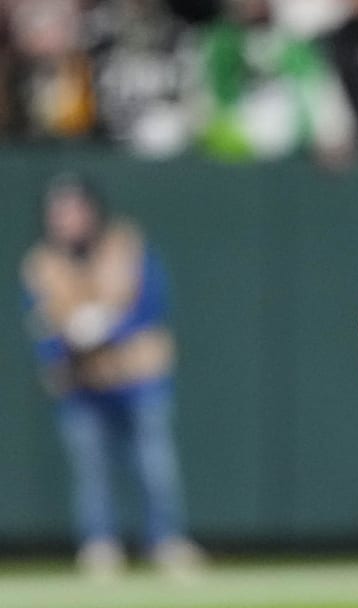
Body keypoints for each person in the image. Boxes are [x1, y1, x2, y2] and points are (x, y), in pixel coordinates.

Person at [20, 174, 204, 580]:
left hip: (138, 375)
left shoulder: (127, 245)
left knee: (154, 465)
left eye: (71, 210)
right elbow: (41, 326)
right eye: (57, 213)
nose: (63, 220)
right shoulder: (41, 263)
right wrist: (70, 342)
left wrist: (106, 330)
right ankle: (100, 545)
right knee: (92, 469)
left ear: (91, 210)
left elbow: (151, 306)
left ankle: (166, 541)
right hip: (82, 384)